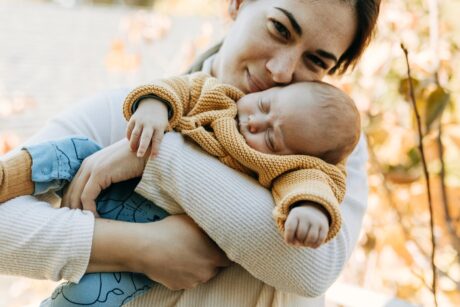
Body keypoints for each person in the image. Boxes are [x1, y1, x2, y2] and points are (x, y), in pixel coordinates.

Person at [0, 0, 381, 306]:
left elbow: (311, 269)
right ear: (237, 4)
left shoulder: (328, 149)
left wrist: (159, 157)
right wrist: (144, 249)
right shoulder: (142, 108)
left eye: (316, 61)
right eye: (279, 28)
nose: (281, 71)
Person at [0, 74, 360, 247]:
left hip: (152, 223)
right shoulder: (219, 96)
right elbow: (179, 89)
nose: (254, 121)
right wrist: (155, 109)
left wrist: (311, 210)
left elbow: (310, 183)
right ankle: (8, 175)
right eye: (265, 106)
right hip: (117, 187)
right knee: (74, 152)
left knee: (105, 292)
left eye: (271, 137)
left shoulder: (286, 169)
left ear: (294, 157)